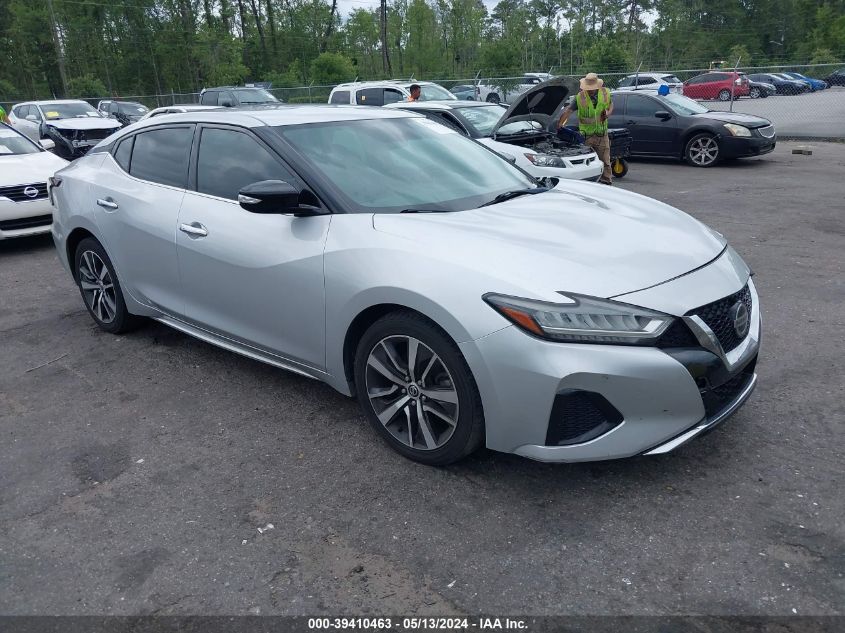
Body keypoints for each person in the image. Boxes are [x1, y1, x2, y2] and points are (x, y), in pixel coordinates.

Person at [558, 72, 614, 185]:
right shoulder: (580, 97)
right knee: (586, 161)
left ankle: (606, 182)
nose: (590, 90)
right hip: (586, 136)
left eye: (592, 88)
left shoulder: (605, 93)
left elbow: (611, 105)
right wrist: (560, 124)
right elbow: (568, 110)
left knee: (605, 161)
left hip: (602, 135)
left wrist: (608, 113)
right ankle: (588, 183)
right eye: (588, 88)